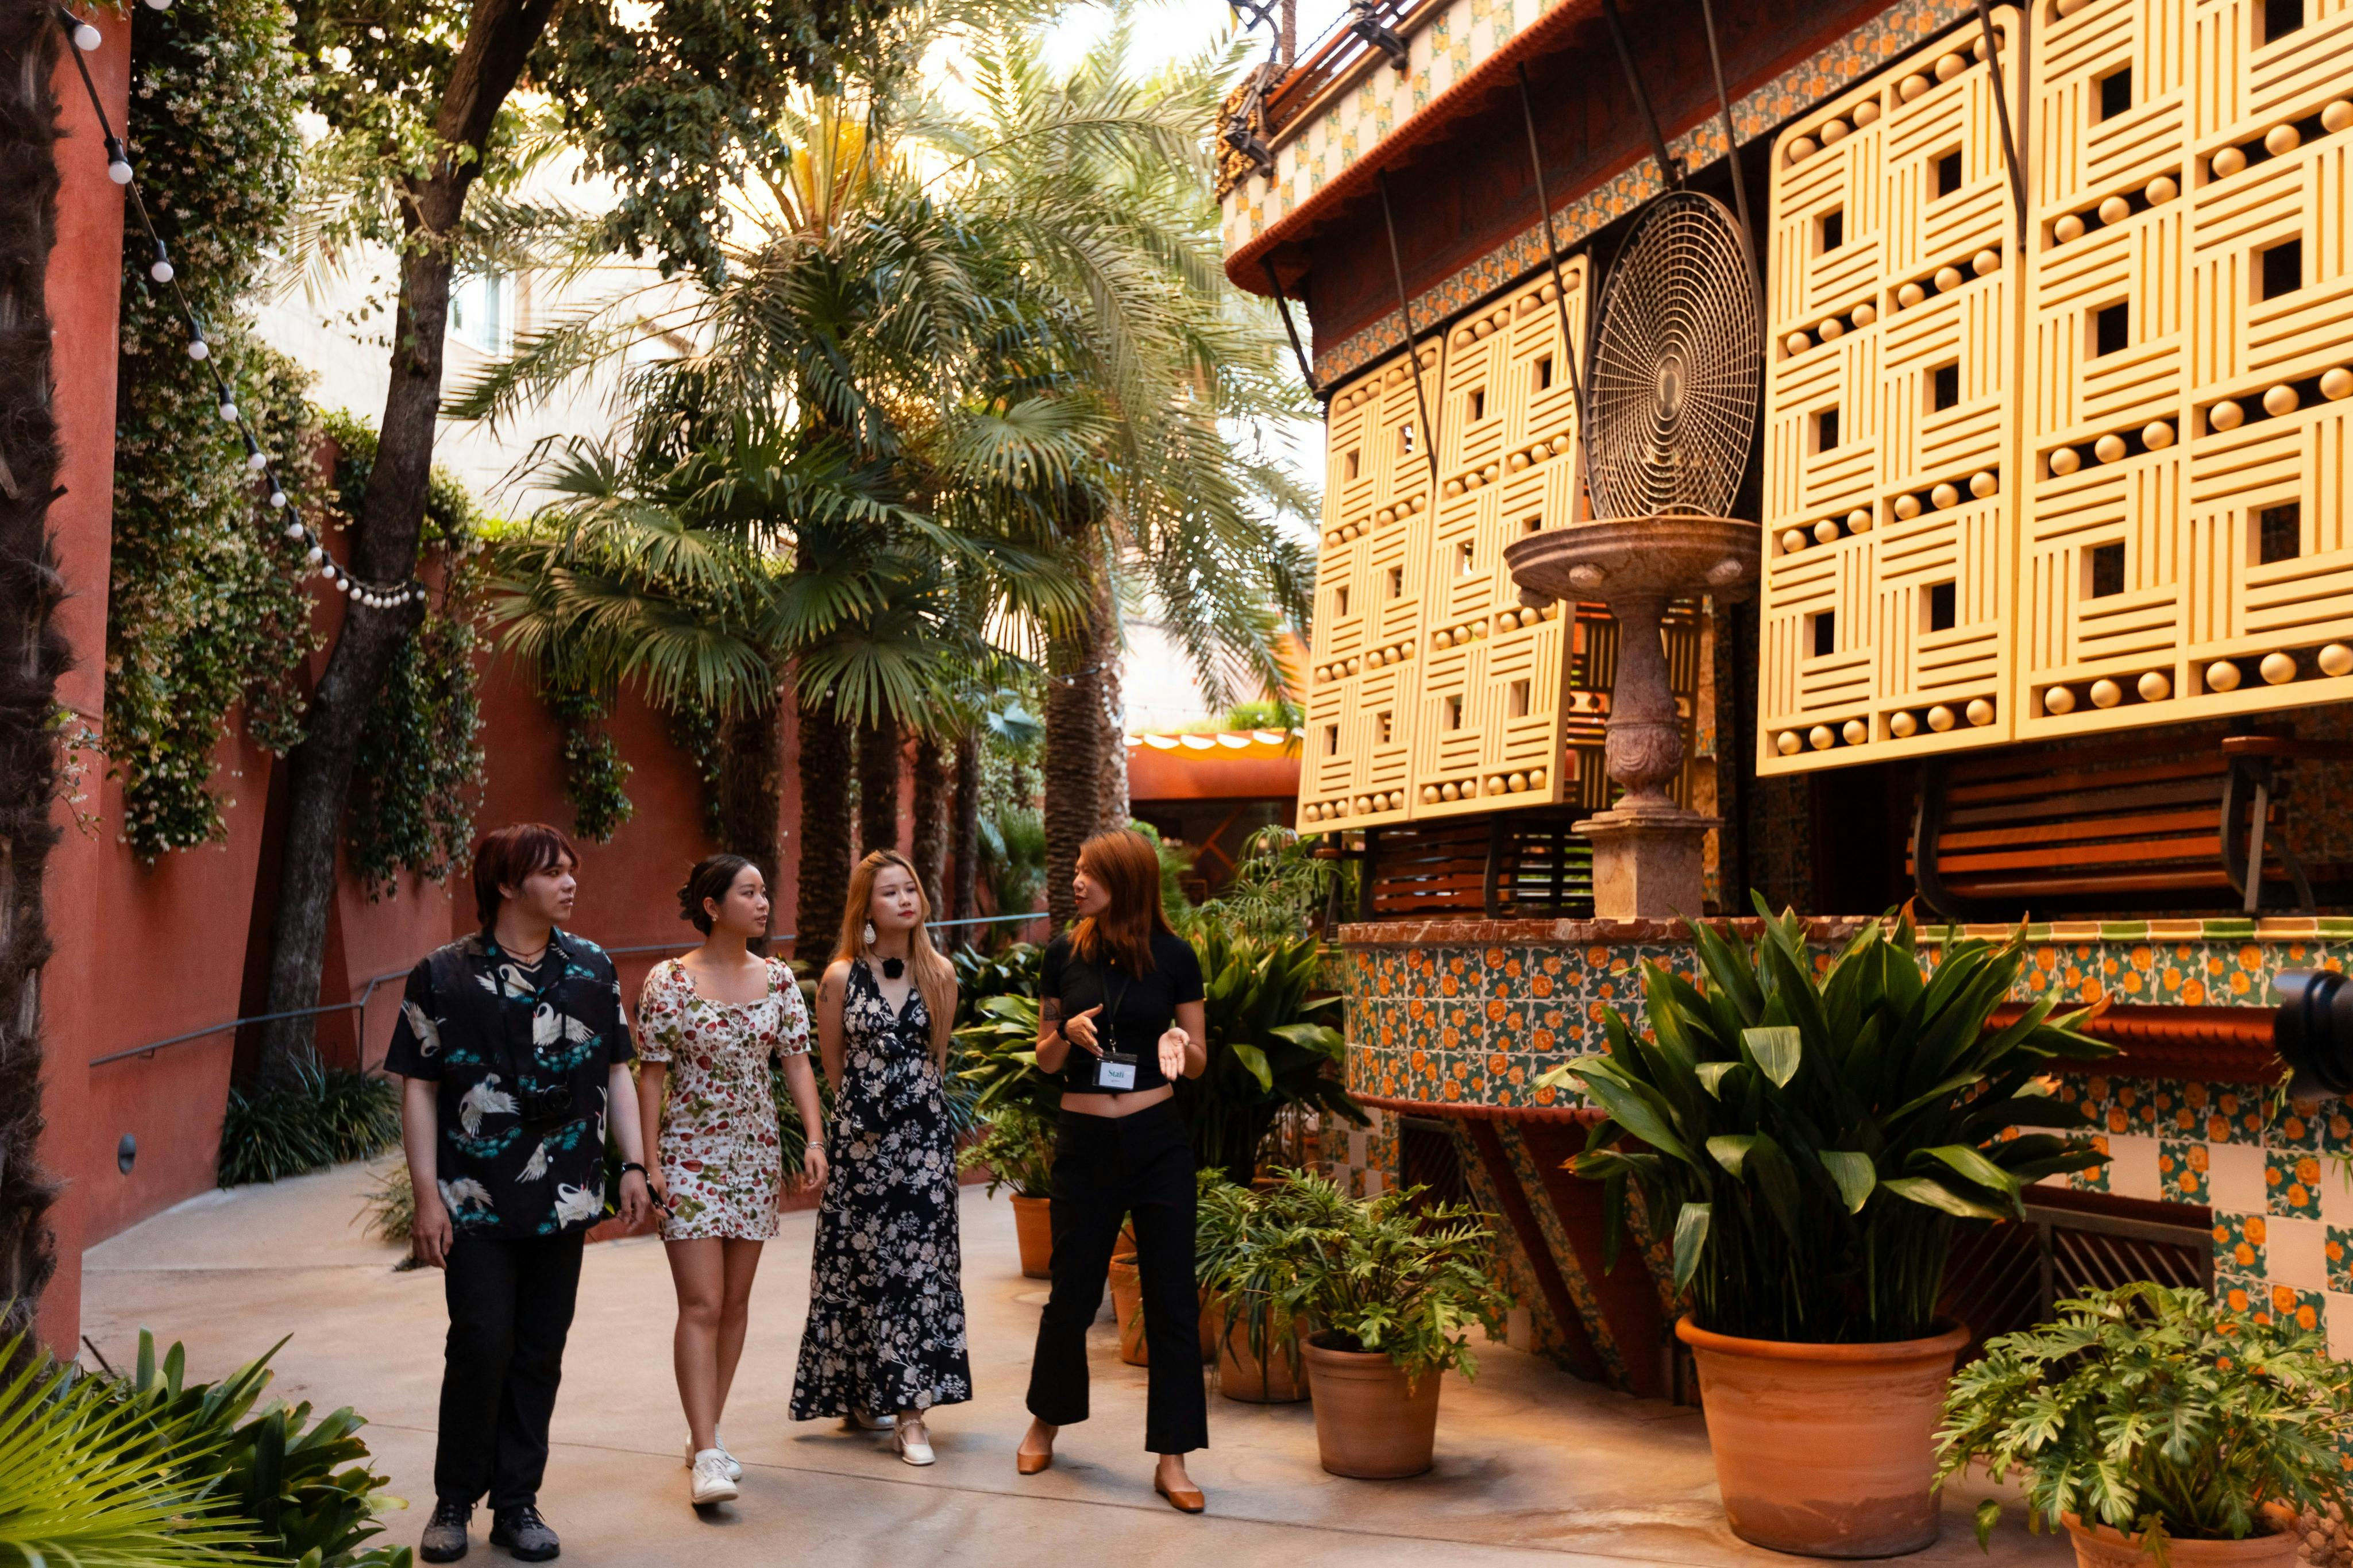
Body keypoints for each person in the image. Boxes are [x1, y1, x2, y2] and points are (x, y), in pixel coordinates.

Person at [388, 823, 653, 1564]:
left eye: (572, 870)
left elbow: (618, 1071)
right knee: (480, 1341)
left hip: (564, 1194)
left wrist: (634, 1164)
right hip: (472, 1196)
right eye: (553, 872)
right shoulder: (439, 975)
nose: (570, 882)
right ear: (507, 885)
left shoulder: (593, 969)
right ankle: (452, 1500)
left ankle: (517, 1503)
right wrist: (426, 1197)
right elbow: (419, 1090)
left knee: (539, 1348)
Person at [1017, 828, 1210, 1513]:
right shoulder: (1063, 953)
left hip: (1157, 1140)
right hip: (1085, 1141)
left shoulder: (1175, 958)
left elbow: (1198, 1062)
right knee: (1070, 1288)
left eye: (1088, 871)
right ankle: (1047, 1419)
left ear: (1125, 879)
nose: (1075, 881)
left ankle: (1173, 1458)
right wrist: (1060, 1036)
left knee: (1170, 1296)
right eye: (1074, 870)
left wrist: (1177, 1042)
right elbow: (1042, 1060)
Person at [634, 855, 827, 1508]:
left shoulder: (777, 980)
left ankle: (704, 1435)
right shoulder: (669, 982)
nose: (763, 902)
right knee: (702, 1304)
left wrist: (814, 1139)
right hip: (688, 1157)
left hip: (753, 1157)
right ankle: (708, 1450)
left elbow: (797, 1064)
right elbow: (650, 1075)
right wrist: (652, 1163)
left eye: (764, 892)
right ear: (712, 906)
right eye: (748, 892)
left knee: (736, 1305)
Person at [789, 849, 971, 1463]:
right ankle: (866, 1393)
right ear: (866, 907)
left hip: (923, 1146)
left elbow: (936, 1061)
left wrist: (911, 1119)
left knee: (917, 1274)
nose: (905, 899)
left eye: (910, 888)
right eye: (890, 892)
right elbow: (835, 1068)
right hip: (862, 1147)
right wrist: (862, 1125)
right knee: (864, 1269)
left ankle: (911, 1414)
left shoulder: (940, 972)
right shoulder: (840, 977)